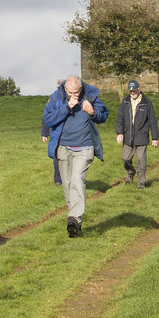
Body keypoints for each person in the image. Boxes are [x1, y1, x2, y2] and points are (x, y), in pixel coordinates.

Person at [42, 75, 109, 237]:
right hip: (63, 147)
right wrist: (66, 107)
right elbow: (48, 119)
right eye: (70, 92)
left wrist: (92, 112)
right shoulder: (56, 97)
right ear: (65, 88)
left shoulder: (90, 95)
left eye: (76, 92)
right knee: (67, 184)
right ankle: (74, 221)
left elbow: (104, 115)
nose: (74, 95)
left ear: (81, 88)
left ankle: (74, 217)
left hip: (84, 147)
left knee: (77, 179)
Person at [115, 79, 159, 188]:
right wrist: (119, 132)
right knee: (125, 158)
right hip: (128, 135)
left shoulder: (146, 102)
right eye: (130, 91)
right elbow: (120, 118)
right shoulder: (125, 101)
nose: (132, 93)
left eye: (134, 90)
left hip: (142, 136)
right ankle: (130, 172)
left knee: (141, 160)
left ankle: (141, 184)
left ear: (139, 89)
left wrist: (155, 138)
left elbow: (152, 120)